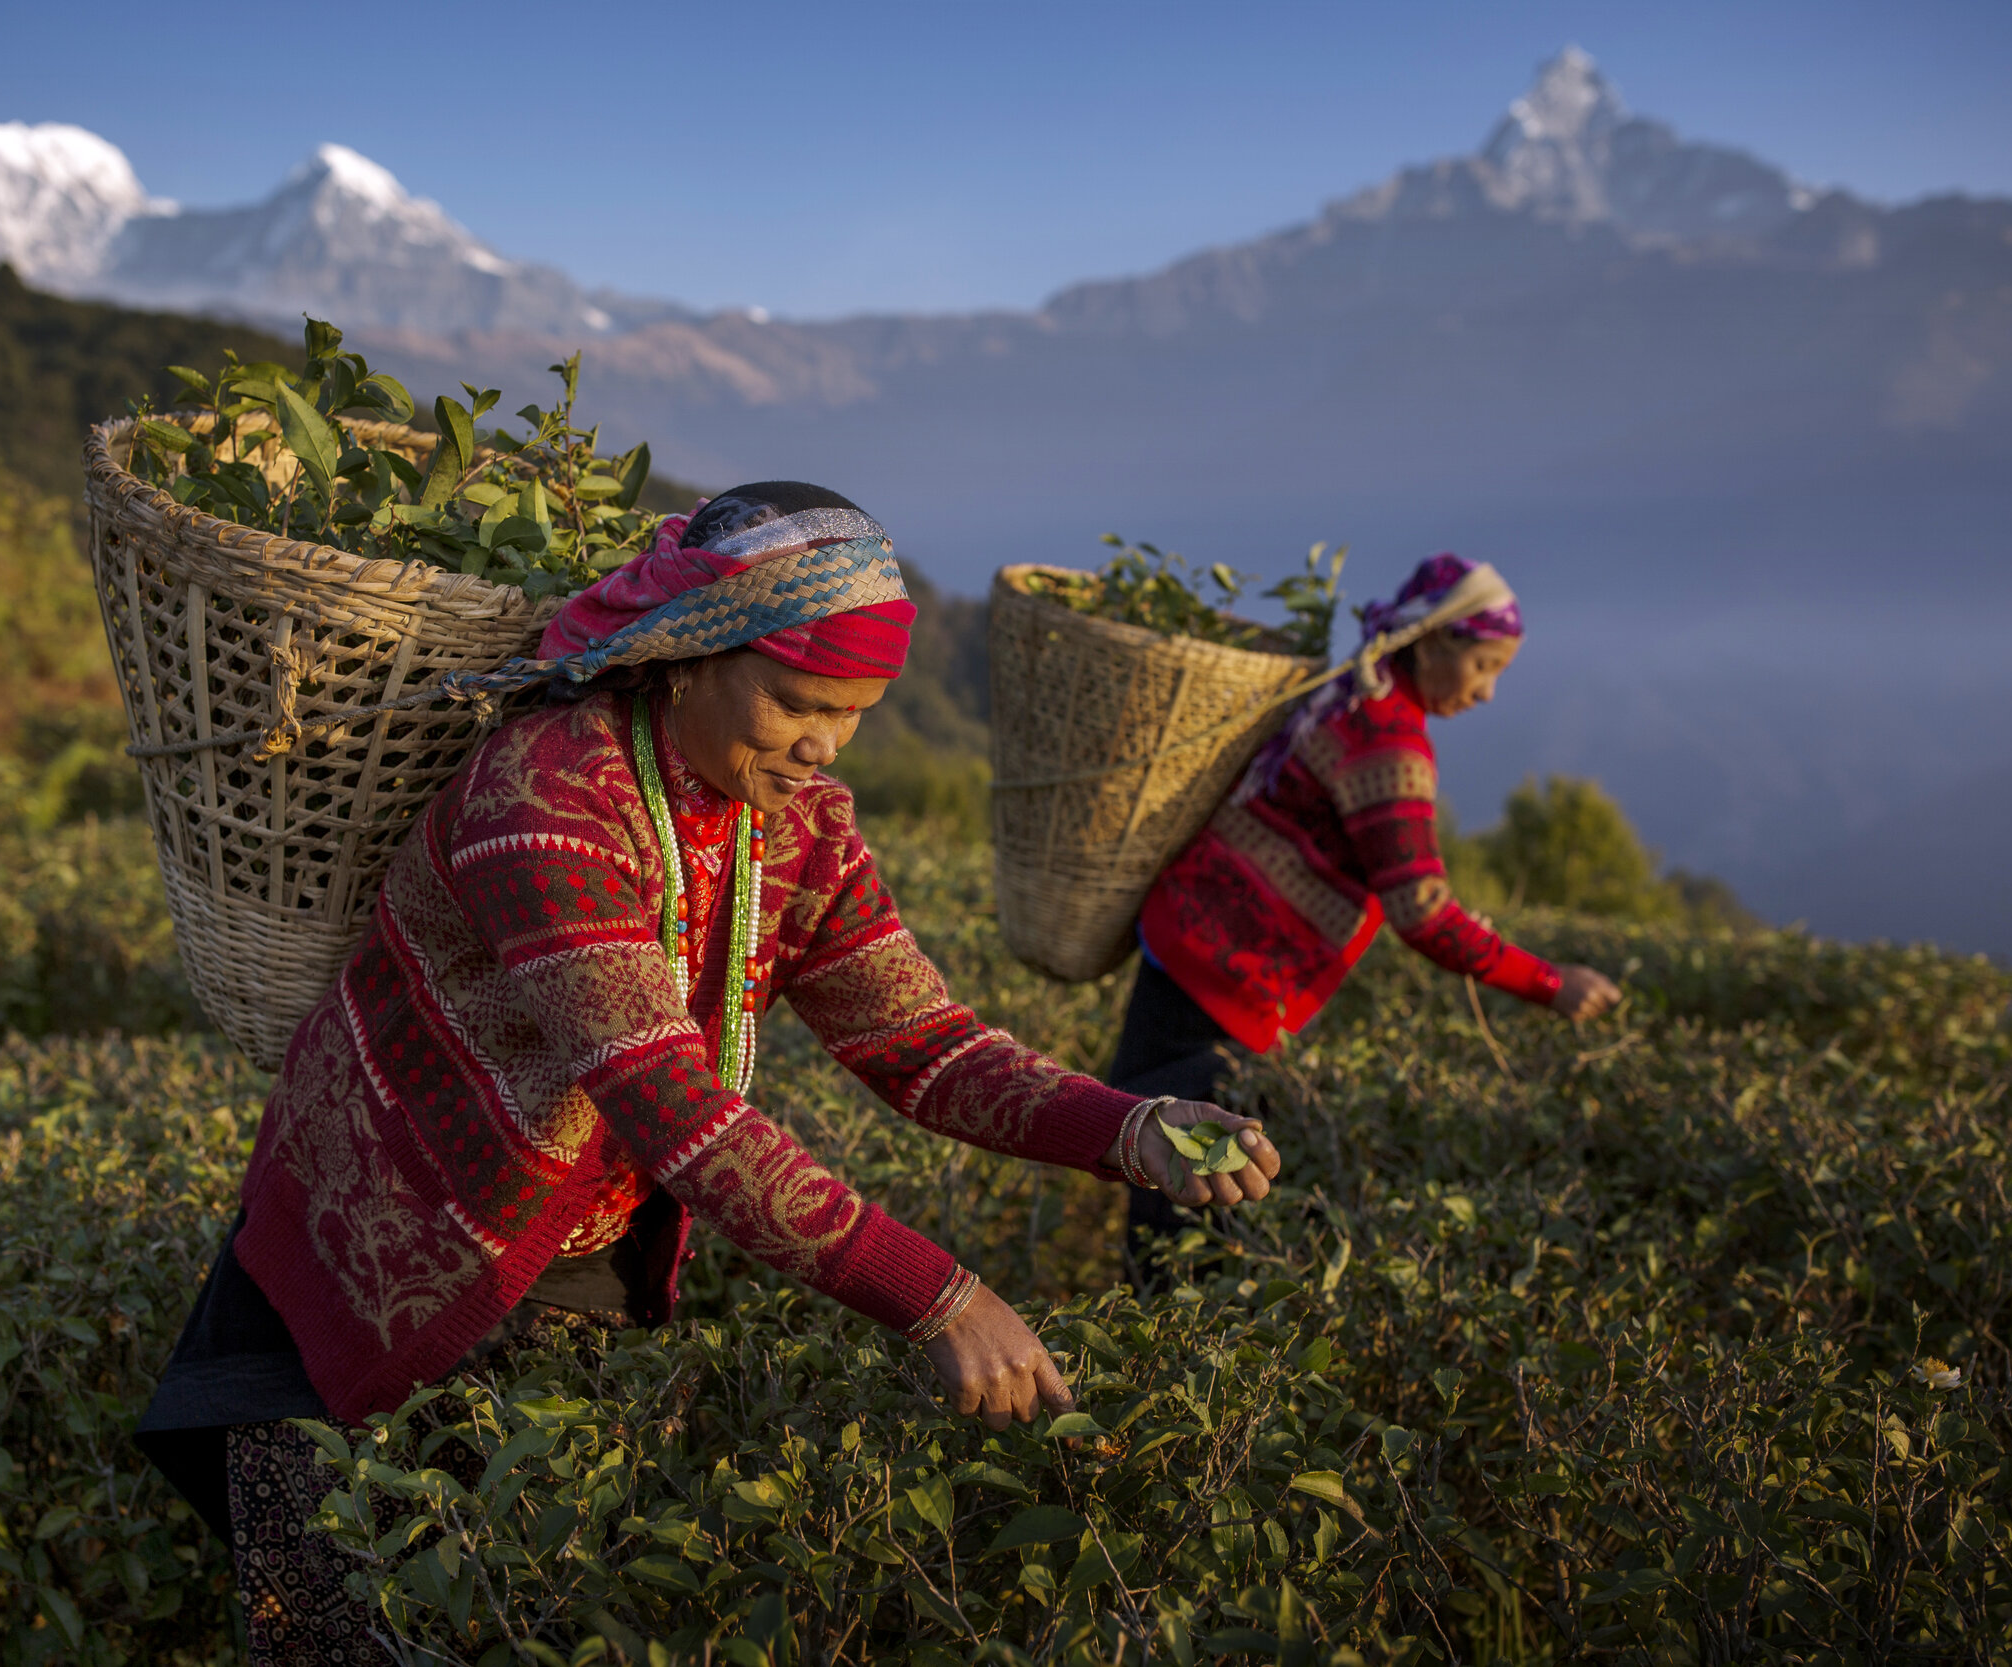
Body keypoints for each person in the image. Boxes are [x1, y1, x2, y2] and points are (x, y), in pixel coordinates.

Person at [135, 482, 1283, 1664]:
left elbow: (922, 1042)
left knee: (513, 1613)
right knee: (326, 1629)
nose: (821, 743)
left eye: (853, 714)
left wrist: (1126, 1126)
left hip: (580, 1270)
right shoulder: (544, 799)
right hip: (376, 1244)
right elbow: (670, 1104)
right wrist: (936, 1294)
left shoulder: (800, 825)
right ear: (685, 656)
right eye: (795, 701)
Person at [1116, 553, 1622, 1256]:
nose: (1488, 693)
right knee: (1191, 1197)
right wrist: (1550, 981)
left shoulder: (1354, 695)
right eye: (1484, 667)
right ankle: (1170, 1345)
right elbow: (1423, 912)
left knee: (1157, 1153)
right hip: (1228, 983)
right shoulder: (1389, 740)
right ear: (1436, 640)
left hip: (1185, 938)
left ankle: (1159, 1327)